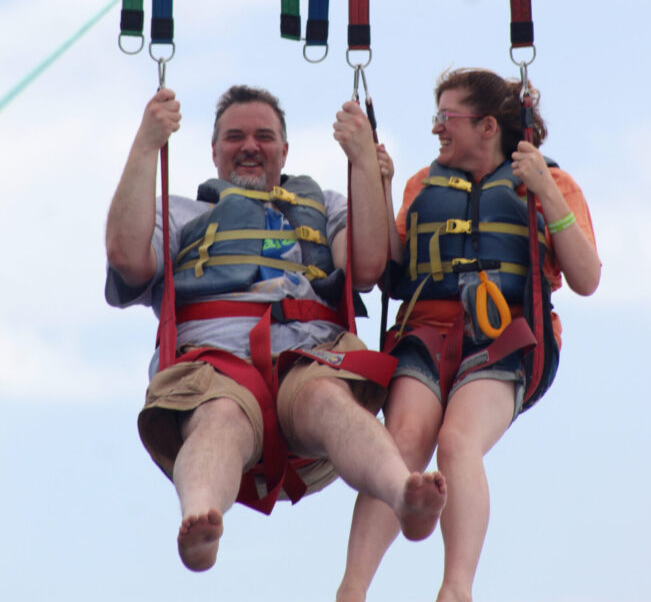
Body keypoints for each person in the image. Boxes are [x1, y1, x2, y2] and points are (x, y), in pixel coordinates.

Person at [105, 84, 446, 573]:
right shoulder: (177, 213)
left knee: (329, 401)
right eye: (235, 137)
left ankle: (403, 491)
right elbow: (126, 257)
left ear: (284, 150)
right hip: (212, 365)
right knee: (219, 416)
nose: (249, 146)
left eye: (264, 136)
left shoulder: (324, 204)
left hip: (310, 357)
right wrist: (146, 143)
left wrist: (363, 163)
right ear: (214, 151)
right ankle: (201, 517)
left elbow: (368, 267)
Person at [336, 67, 601, 602]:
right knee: (404, 442)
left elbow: (587, 279)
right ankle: (353, 589)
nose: (436, 128)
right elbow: (393, 268)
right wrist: (380, 186)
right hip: (426, 333)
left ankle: (456, 590)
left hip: (506, 339)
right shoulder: (421, 185)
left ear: (486, 126)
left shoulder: (550, 182)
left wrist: (545, 191)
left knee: (457, 442)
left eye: (445, 117)